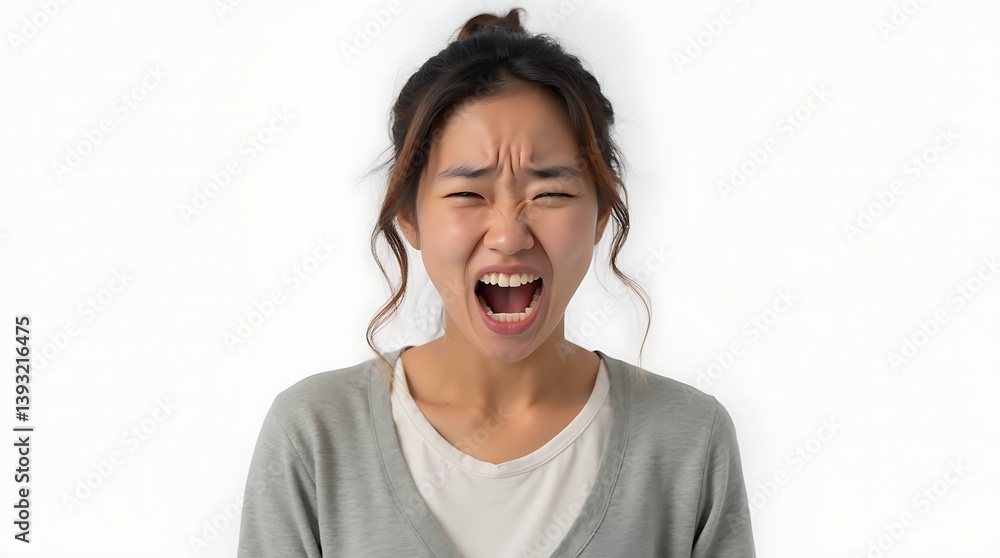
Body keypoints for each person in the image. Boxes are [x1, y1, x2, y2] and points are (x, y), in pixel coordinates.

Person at [237, 8, 755, 557]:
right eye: (467, 194)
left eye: (550, 193)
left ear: (601, 215)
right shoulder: (313, 436)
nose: (509, 235)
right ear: (408, 217)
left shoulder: (690, 442)